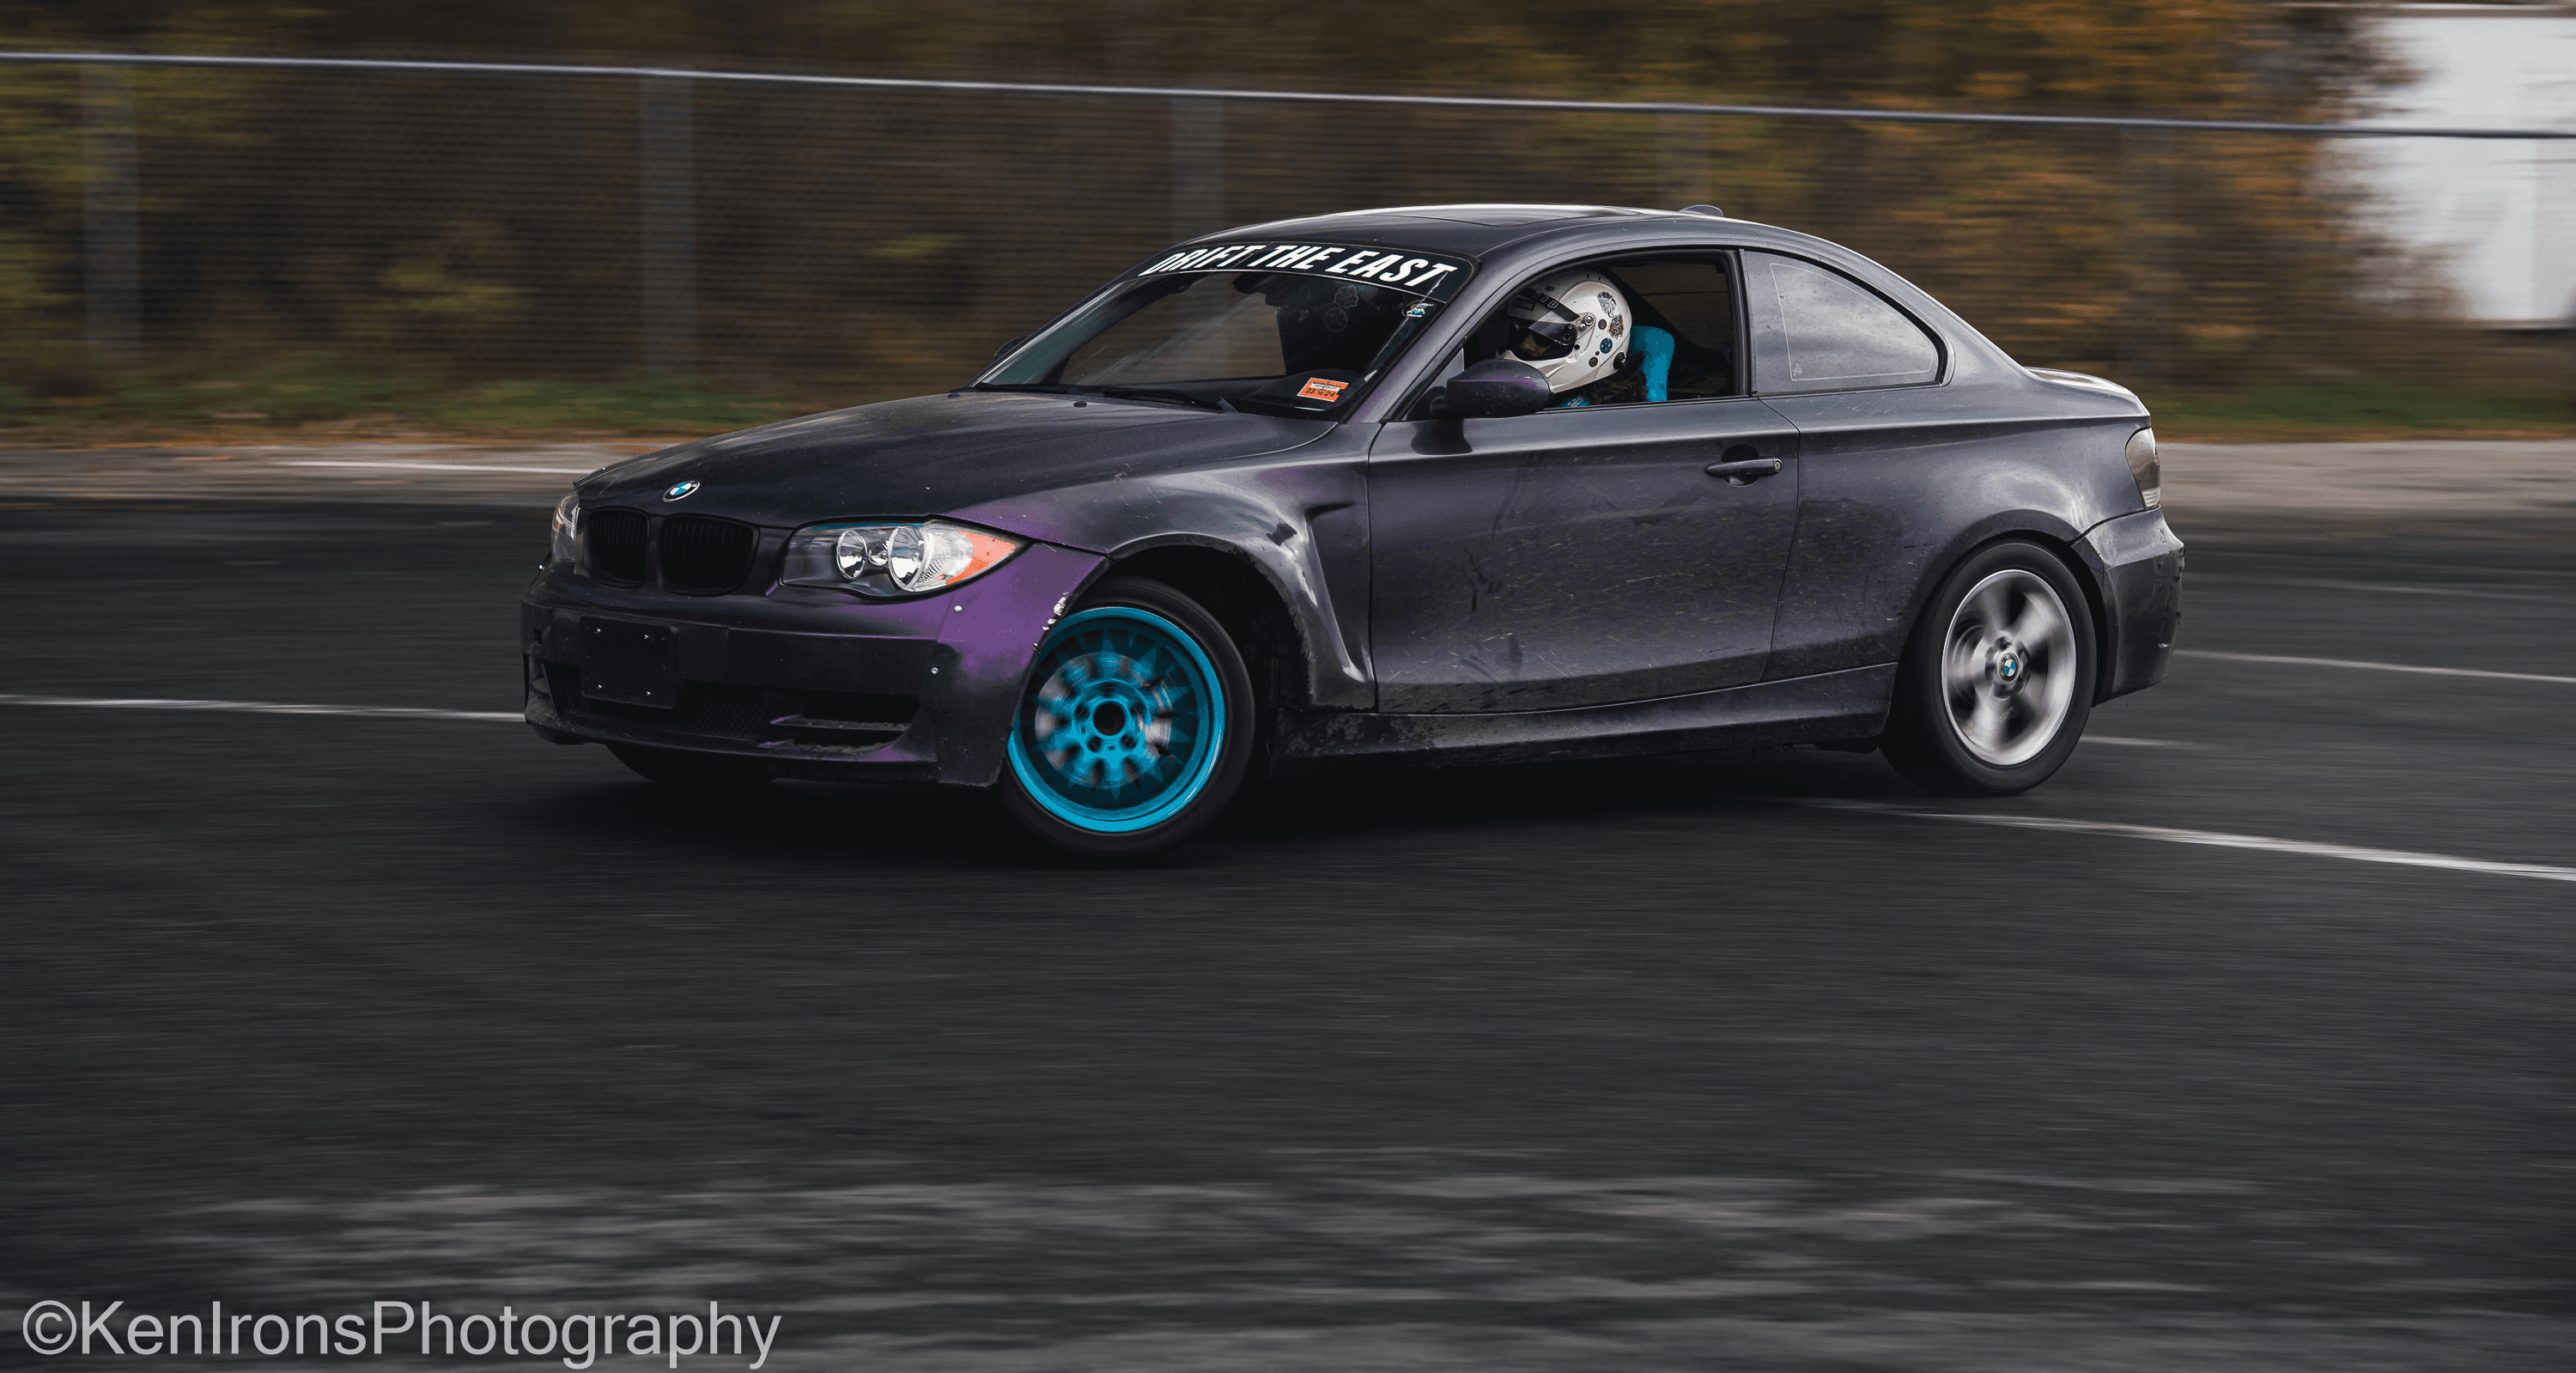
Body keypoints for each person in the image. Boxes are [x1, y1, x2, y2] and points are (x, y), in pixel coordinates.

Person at [1492, 270, 1675, 408]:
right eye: (1521, 333)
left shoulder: (1602, 419)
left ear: (1591, 345)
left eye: (1543, 338)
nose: (1526, 345)